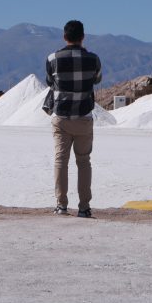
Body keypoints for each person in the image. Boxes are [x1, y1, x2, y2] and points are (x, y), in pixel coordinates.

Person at [43, 19, 102, 218]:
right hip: (84, 117)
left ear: (64, 37)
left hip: (61, 116)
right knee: (84, 161)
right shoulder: (93, 59)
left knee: (61, 160)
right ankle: (84, 208)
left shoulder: (52, 58)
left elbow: (50, 81)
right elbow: (97, 79)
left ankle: (61, 205)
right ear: (83, 37)